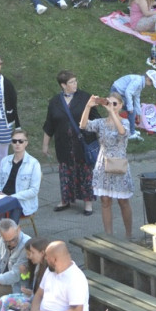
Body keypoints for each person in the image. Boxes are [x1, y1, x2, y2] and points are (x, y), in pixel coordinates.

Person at [79, 93, 134, 240]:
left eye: (115, 104)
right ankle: (108, 236)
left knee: (123, 201)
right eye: (109, 103)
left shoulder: (125, 121)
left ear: (121, 105)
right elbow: (83, 125)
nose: (112, 106)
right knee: (105, 201)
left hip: (119, 163)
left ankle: (129, 235)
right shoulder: (101, 122)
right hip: (103, 164)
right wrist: (88, 106)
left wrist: (112, 113)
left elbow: (122, 132)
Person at [42, 71, 96, 216]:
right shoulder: (55, 101)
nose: (75, 84)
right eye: (71, 82)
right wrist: (45, 145)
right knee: (66, 172)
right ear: (63, 85)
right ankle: (66, 199)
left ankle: (88, 202)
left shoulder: (85, 97)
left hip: (82, 143)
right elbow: (49, 125)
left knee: (85, 172)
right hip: (64, 145)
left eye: (75, 81)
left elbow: (97, 119)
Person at [0, 129, 42, 218]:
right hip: (2, 199)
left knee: (6, 216)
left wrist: (11, 197)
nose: (17, 143)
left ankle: (10, 231)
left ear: (26, 143)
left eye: (21, 141)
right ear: (11, 143)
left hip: (20, 202)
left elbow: (34, 191)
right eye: (14, 141)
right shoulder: (5, 161)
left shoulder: (34, 163)